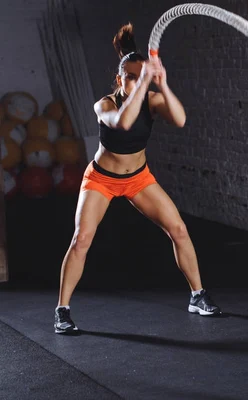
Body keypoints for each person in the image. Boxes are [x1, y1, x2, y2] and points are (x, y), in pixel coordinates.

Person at [54, 23, 220, 334]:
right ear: (119, 79)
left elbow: (181, 119)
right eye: (129, 77)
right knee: (81, 240)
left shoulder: (152, 98)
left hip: (138, 178)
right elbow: (124, 122)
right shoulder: (105, 104)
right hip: (101, 179)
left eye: (138, 76)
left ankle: (198, 296)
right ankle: (62, 310)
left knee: (179, 229)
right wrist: (143, 83)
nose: (134, 82)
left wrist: (163, 84)